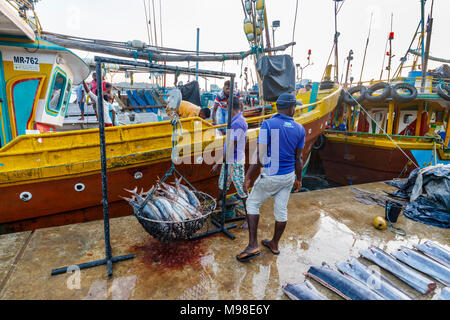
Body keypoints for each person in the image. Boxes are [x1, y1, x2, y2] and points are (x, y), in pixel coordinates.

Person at [236, 93, 305, 262]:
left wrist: (248, 177)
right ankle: (274, 244)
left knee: (252, 203)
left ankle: (253, 245)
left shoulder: (268, 124)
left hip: (271, 176)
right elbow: (299, 158)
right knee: (281, 209)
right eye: (294, 106)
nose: (295, 109)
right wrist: (299, 179)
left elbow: (259, 154)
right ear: (291, 108)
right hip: (289, 176)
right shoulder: (300, 129)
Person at [211, 95, 248, 208]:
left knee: (242, 190)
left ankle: (249, 217)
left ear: (228, 108)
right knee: (222, 184)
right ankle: (218, 207)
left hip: (234, 161)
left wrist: (217, 164)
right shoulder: (237, 120)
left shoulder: (237, 123)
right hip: (228, 159)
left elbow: (231, 147)